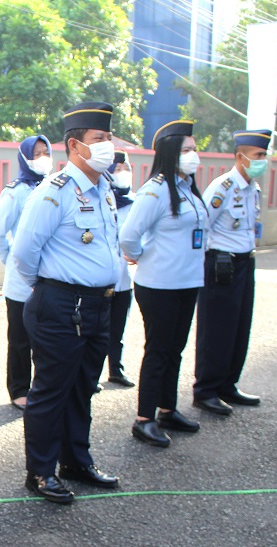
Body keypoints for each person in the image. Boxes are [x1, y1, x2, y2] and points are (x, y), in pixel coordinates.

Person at [11, 102, 122, 504]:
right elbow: (24, 253)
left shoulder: (104, 188)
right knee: (51, 390)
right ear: (75, 145)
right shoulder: (54, 192)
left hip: (97, 304)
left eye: (109, 138)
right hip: (61, 304)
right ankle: (40, 472)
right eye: (99, 140)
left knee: (83, 388)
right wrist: (52, 291)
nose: (107, 146)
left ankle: (76, 461)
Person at [119, 120, 208, 448]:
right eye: (186, 150)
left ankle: (168, 409)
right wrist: (139, 257)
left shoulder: (188, 188)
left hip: (187, 282)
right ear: (171, 153)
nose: (193, 156)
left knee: (175, 349)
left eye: (194, 149)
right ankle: (144, 419)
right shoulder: (155, 190)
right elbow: (128, 235)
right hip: (159, 285)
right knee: (158, 350)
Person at [192, 130, 272, 415]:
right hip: (221, 265)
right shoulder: (222, 187)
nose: (263, 160)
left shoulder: (253, 188)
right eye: (258, 155)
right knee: (217, 328)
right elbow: (202, 226)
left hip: (244, 262)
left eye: (265, 155)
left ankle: (228, 384)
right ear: (240, 156)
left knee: (239, 326)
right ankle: (206, 389)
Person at [0, 134, 52, 410]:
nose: (42, 158)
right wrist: (12, 259)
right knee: (20, 338)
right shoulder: (16, 192)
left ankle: (43, 386)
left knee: (48, 337)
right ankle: (18, 389)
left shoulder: (54, 187)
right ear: (25, 157)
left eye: (45, 152)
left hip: (51, 277)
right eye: (36, 153)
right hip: (21, 281)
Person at [106, 150, 137, 388]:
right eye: (117, 169)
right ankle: (92, 374)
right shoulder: (102, 198)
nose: (123, 174)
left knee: (118, 328)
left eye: (126, 169)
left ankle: (116, 369)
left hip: (124, 280)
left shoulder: (135, 202)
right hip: (101, 279)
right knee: (96, 330)